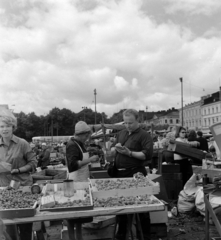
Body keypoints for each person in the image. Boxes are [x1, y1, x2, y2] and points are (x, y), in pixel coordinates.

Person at [110, 109, 153, 240]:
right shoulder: (121, 133)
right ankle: (121, 235)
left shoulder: (144, 135)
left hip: (136, 173)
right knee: (121, 206)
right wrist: (114, 148)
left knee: (142, 207)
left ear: (137, 121)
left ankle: (144, 236)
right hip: (120, 174)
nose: (128, 125)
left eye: (131, 123)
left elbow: (146, 155)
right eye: (126, 122)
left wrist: (130, 153)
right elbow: (111, 150)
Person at [0, 109, 37, 240]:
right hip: (5, 192)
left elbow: (33, 163)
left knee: (26, 230)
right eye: (1, 126)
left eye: (7, 126)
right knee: (9, 232)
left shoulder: (22, 143)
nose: (4, 129)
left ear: (13, 127)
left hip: (23, 189)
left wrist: (19, 170)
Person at [66, 121, 99, 240]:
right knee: (73, 215)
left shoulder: (79, 144)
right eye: (86, 136)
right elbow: (73, 165)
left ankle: (79, 237)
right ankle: (72, 237)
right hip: (75, 183)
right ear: (81, 134)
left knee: (80, 217)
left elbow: (81, 163)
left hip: (82, 180)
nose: (87, 138)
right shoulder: (72, 145)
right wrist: (90, 159)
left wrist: (89, 174)